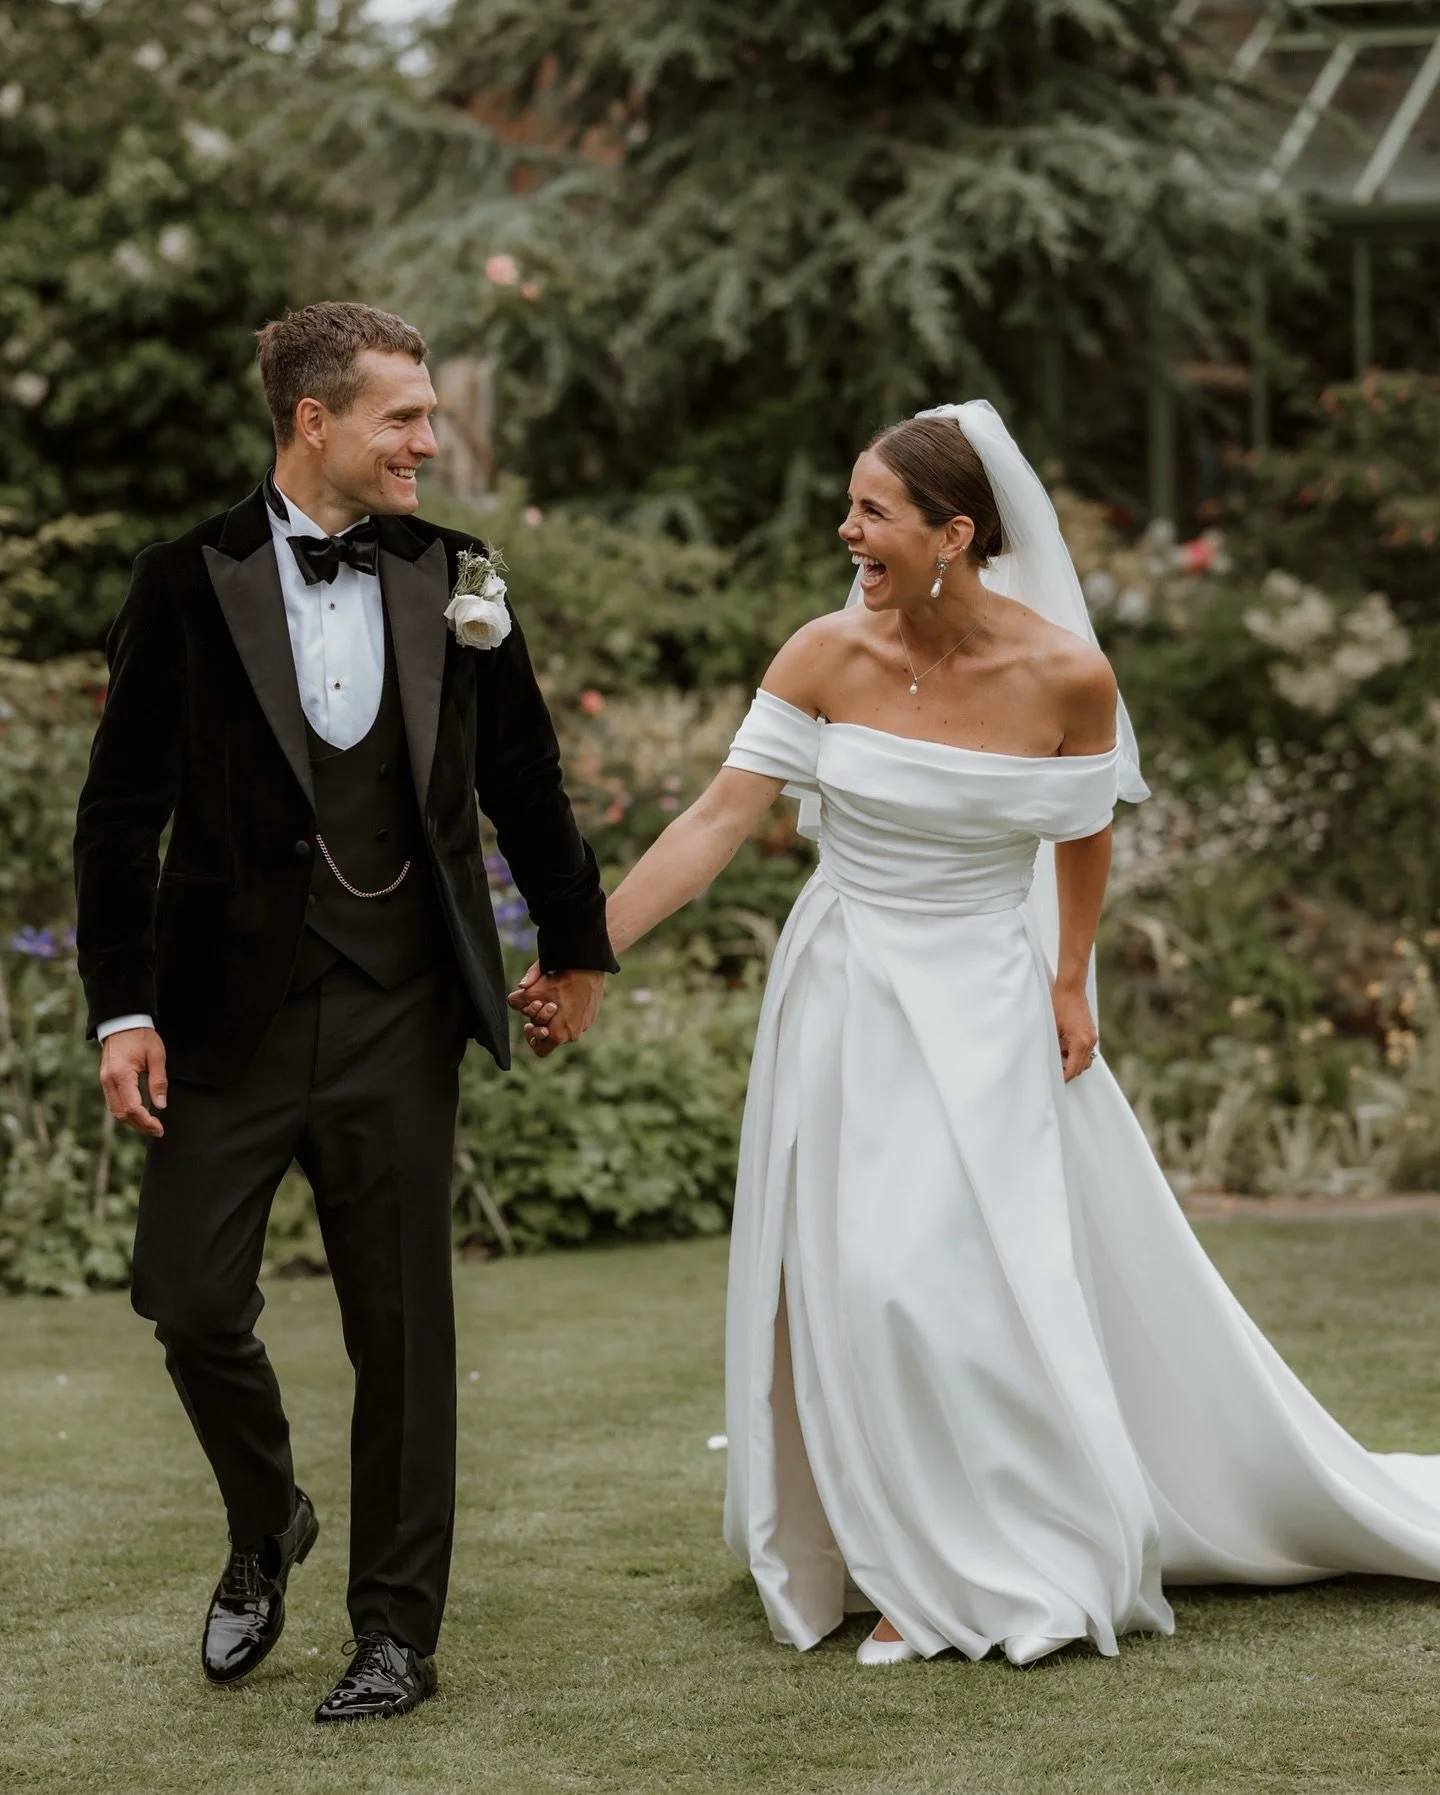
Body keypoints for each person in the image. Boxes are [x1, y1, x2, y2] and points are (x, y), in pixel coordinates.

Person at [518, 400, 1440, 1667]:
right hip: (845, 985)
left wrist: (1070, 975)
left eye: (873, 511)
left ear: (954, 533)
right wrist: (589, 951)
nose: (847, 531)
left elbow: (1085, 829)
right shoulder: (822, 654)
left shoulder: (1067, 674)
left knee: (936, 1274)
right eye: (850, 506)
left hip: (985, 994)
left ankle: (972, 1554)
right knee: (849, 1274)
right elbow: (718, 818)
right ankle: (882, 1541)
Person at [73, 301, 614, 1722]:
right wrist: (122, 1010)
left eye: (428, 413)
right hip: (225, 1014)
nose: (429, 439)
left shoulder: (458, 574)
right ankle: (268, 1517)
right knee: (188, 1297)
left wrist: (577, 945)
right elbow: (119, 817)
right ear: (315, 420)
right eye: (404, 416)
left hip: (401, 1004)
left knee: (403, 1330)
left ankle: (395, 1633)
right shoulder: (182, 580)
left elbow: (527, 778)